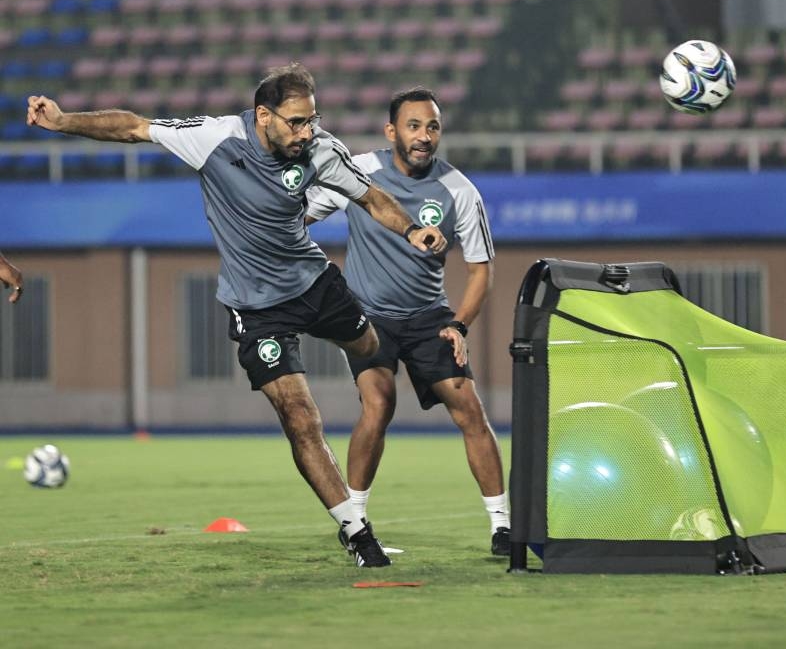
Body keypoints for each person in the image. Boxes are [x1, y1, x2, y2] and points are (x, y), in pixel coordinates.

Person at [25, 63, 449, 569]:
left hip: (315, 285)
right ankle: (357, 533)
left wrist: (410, 231)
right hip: (255, 306)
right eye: (295, 122)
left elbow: (373, 197)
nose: (306, 131)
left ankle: (360, 356)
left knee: (371, 348)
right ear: (263, 115)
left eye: (311, 120)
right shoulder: (215, 137)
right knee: (299, 415)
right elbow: (134, 127)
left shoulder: (321, 151)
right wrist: (63, 120)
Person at [305, 86, 510, 556]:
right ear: (391, 131)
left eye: (432, 126)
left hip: (428, 317)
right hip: (368, 316)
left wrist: (459, 326)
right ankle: (354, 521)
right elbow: (301, 216)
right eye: (414, 126)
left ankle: (502, 527)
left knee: (470, 409)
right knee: (378, 403)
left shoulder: (460, 190)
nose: (424, 136)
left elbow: (481, 270)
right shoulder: (359, 172)